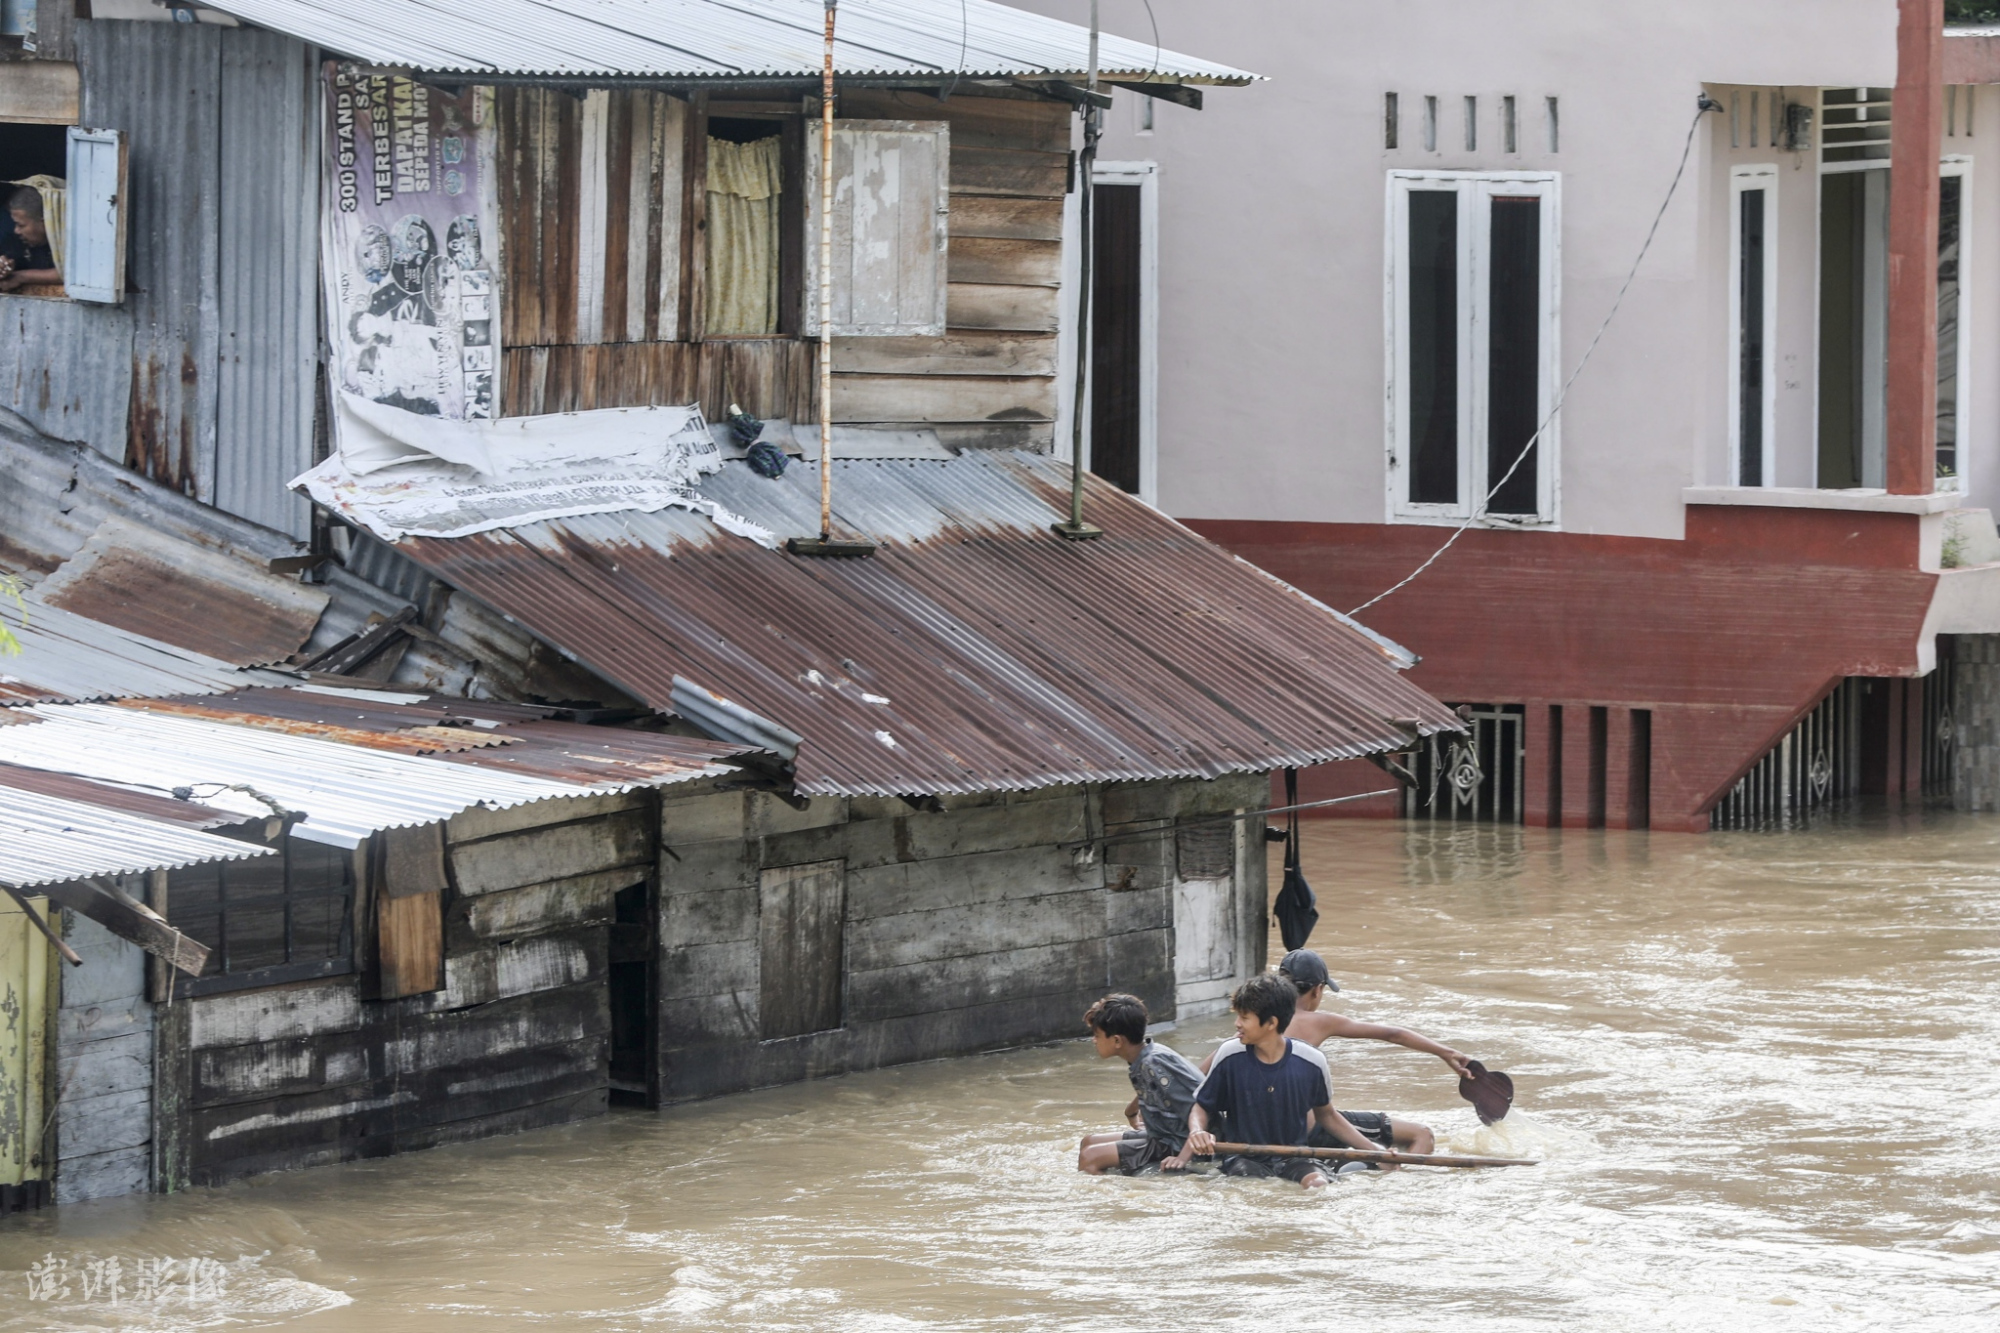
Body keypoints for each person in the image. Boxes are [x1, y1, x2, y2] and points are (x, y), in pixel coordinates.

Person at [1164, 973, 1381, 1188]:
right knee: (1254, 1187)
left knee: (1317, 1184)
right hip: (1244, 1159)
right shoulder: (1229, 1055)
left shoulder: (1312, 1061)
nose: (1237, 1024)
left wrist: (1374, 1151)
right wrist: (1195, 1135)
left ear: (1271, 1023)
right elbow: (1202, 1106)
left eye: (1245, 1017)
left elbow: (1328, 1116)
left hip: (1295, 1157)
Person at [1076, 993, 1204, 1176]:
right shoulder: (1145, 1057)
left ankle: (1108, 1201)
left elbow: (1199, 1106)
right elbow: (1155, 1089)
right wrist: (1132, 1110)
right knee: (1088, 1142)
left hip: (1178, 1143)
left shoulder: (1153, 1063)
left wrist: (1182, 1157)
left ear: (1117, 1041)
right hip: (1162, 1134)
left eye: (1097, 1035)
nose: (1094, 1040)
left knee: (1091, 1156)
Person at [0, 187, 59, 292]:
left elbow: (73, 275)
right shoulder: (15, 243)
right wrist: (4, 268)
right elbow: (6, 264)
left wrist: (22, 277)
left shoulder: (66, 244)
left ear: (44, 223)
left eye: (21, 225)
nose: (16, 231)